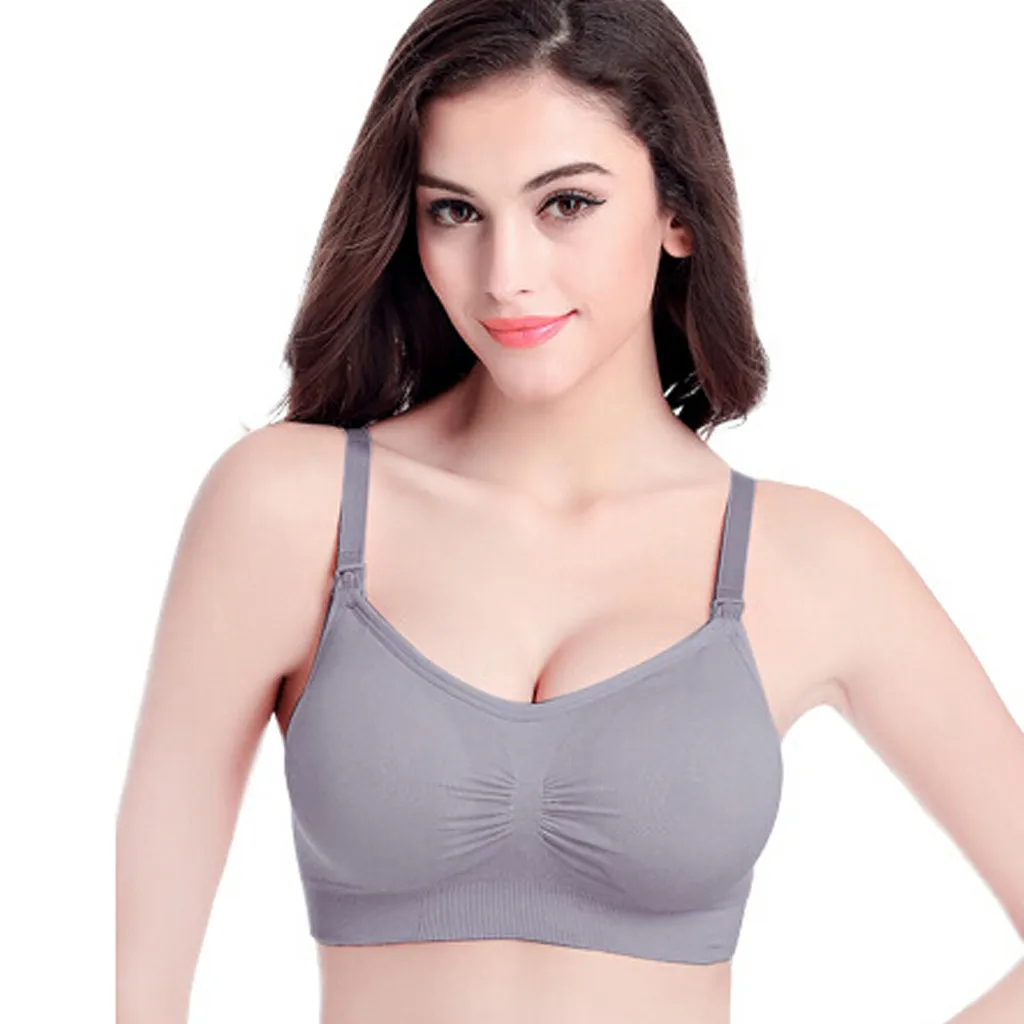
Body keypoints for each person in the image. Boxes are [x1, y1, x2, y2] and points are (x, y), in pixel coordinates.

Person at [116, 1, 1024, 1022]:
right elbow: (143, 978)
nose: (506, 276)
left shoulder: (810, 561)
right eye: (455, 211)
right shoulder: (292, 508)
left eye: (566, 203)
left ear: (678, 213)